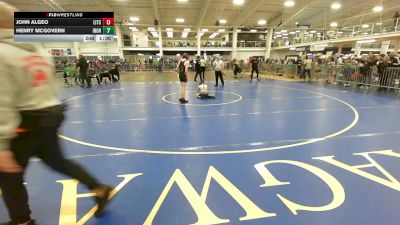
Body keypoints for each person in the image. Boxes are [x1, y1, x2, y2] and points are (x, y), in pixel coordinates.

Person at [0, 3, 112, 225]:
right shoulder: (40, 51)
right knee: (58, 162)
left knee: (10, 175)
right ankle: (99, 188)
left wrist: (2, 145)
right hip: (49, 115)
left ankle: (22, 221)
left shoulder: (3, 53)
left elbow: (2, 100)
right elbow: (51, 87)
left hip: (24, 121)